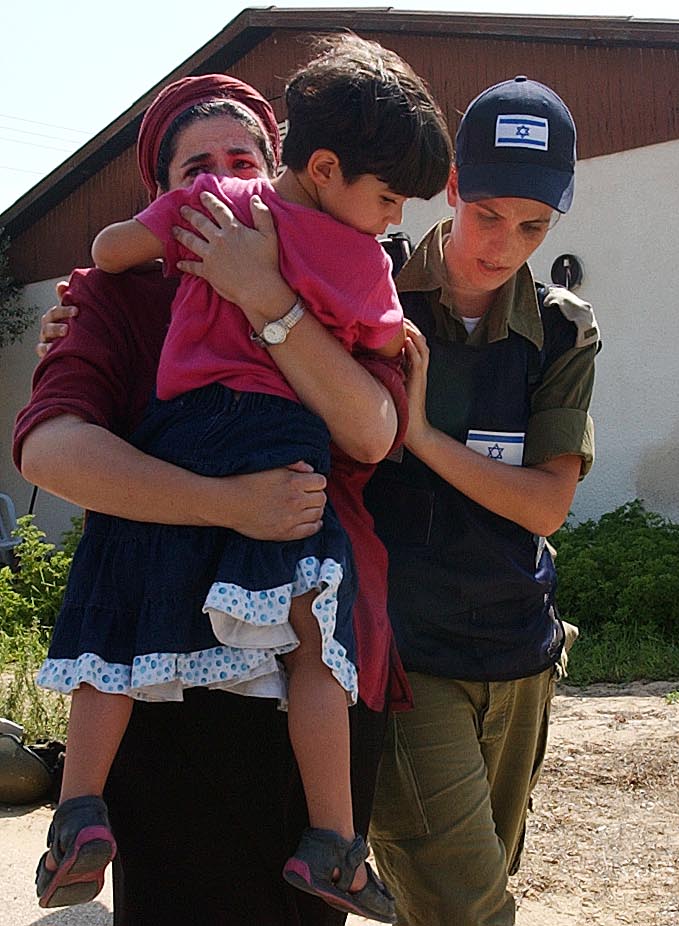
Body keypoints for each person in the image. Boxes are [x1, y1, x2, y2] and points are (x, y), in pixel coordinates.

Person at [33, 34, 448, 921]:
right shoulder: (109, 300)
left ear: (280, 168)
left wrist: (268, 296)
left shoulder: (333, 253)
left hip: (323, 654)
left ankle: (324, 847)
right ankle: (82, 818)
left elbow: (374, 432)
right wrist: (227, 503)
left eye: (239, 159)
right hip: (170, 684)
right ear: (166, 190)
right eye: (196, 167)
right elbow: (49, 450)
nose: (218, 180)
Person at [363, 76, 600, 926]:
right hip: (403, 657)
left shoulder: (564, 330)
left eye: (533, 226)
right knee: (468, 909)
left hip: (518, 653)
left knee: (462, 896)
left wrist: (424, 439)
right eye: (488, 214)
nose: (505, 244)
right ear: (453, 187)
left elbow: (543, 507)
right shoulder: (367, 285)